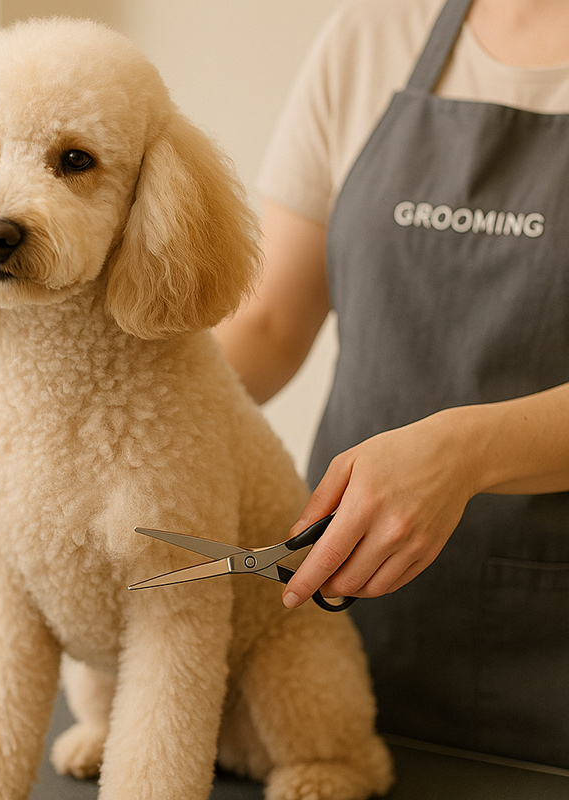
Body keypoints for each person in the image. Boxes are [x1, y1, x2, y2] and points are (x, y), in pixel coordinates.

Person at [216, 0, 569, 769]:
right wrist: (127, 410)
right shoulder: (372, 33)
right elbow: (271, 321)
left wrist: (466, 451)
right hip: (335, 612)